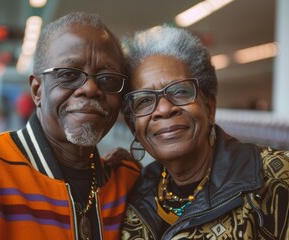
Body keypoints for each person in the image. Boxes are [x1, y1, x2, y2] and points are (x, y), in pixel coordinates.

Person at [0, 12, 140, 239]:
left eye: (107, 78)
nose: (90, 88)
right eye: (68, 74)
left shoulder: (127, 181)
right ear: (37, 91)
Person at [120, 25, 289, 239]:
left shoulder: (277, 176)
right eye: (144, 100)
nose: (163, 109)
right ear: (132, 124)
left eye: (180, 91)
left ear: (209, 108)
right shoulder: (131, 192)